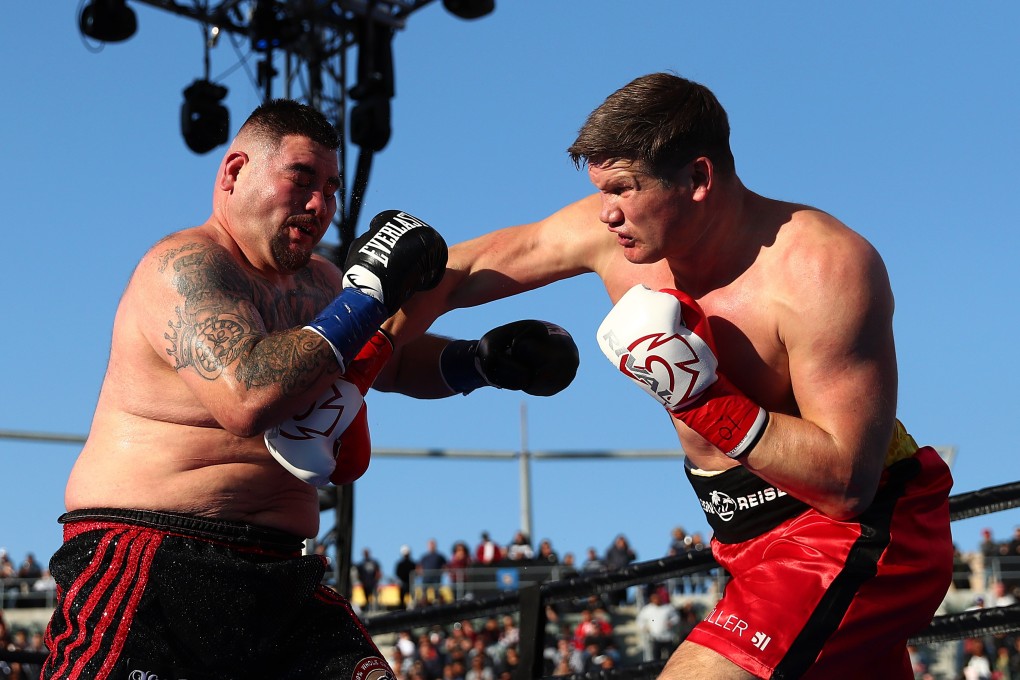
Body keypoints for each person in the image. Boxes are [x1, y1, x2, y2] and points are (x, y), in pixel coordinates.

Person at [388, 72, 954, 678]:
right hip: (745, 541)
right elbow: (456, 273)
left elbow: (847, 481)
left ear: (698, 178)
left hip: (857, 533)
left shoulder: (820, 267)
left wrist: (704, 400)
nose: (606, 213)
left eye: (623, 190)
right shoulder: (614, 235)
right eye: (600, 190)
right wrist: (354, 324)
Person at [44, 99, 579, 679]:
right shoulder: (184, 267)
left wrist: (478, 362)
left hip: (278, 573)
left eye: (331, 188)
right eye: (301, 179)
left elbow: (389, 361)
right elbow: (247, 394)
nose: (320, 205)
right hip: (152, 555)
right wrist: (366, 297)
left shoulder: (322, 282)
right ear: (235, 172)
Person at [395, 544, 417, 608]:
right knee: (402, 596)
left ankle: (413, 606)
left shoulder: (412, 564)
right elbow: (398, 573)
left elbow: (416, 573)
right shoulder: (400, 564)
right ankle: (402, 607)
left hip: (411, 584)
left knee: (413, 596)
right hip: (403, 584)